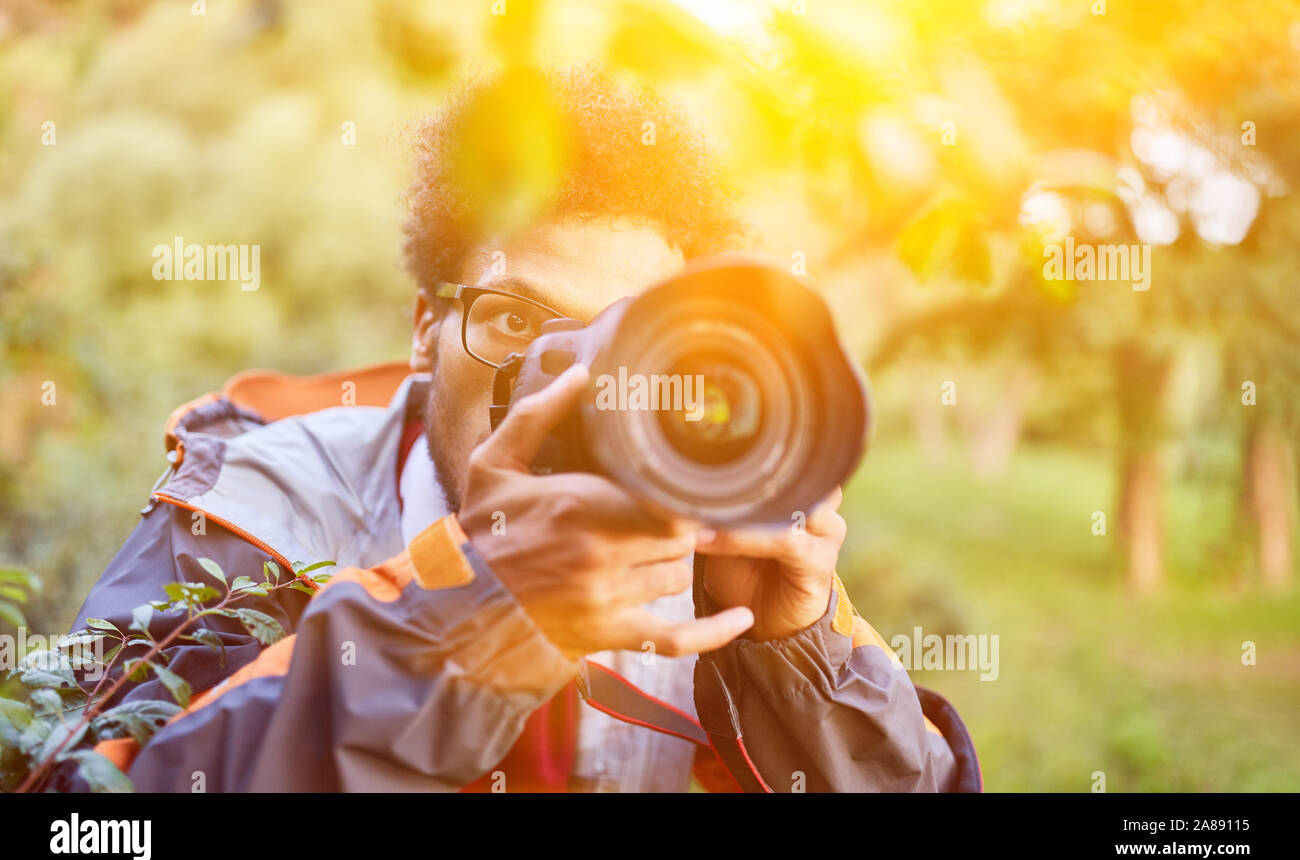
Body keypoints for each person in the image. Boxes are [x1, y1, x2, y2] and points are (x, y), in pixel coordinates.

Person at [64, 66, 979, 793]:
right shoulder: (249, 520)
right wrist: (469, 616)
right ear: (428, 328)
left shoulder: (714, 560)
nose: (572, 386)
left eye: (622, 342)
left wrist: (793, 659)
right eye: (517, 321)